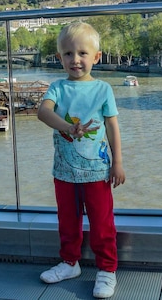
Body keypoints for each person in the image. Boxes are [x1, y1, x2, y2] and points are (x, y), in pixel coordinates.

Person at [37, 21, 125, 299]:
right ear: (59, 57)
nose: (75, 60)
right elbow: (43, 112)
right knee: (67, 220)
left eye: (83, 53)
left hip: (97, 171)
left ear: (96, 57)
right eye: (68, 53)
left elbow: (112, 127)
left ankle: (107, 269)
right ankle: (69, 263)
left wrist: (117, 162)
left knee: (102, 222)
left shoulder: (103, 89)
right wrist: (67, 127)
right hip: (64, 170)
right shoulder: (57, 87)